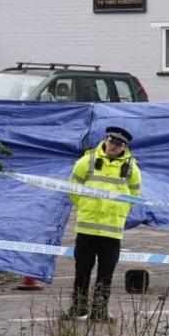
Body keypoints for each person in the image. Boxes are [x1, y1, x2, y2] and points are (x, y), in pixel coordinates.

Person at [63, 126, 142, 322]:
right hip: (87, 227)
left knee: (106, 273)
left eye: (119, 144)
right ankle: (78, 309)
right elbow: (73, 187)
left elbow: (135, 196)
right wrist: (83, 204)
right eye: (112, 142)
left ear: (124, 147)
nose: (114, 146)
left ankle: (99, 311)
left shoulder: (131, 168)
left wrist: (119, 211)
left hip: (111, 231)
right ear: (106, 140)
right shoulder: (87, 160)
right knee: (82, 271)